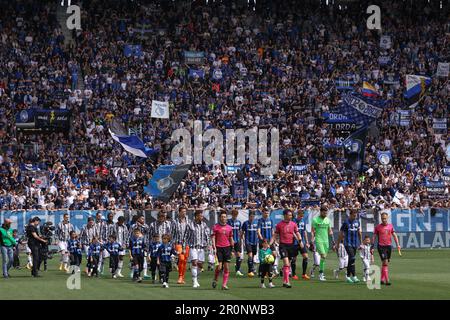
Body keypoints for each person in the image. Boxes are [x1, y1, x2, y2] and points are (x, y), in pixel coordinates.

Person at [274, 208, 304, 288]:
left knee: (287, 265)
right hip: (283, 245)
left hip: (291, 246)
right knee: (287, 263)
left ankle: (284, 281)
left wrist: (300, 242)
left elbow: (297, 233)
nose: (291, 216)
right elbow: (275, 235)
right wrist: (272, 243)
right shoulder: (279, 225)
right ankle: (287, 282)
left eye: (291, 215)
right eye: (289, 215)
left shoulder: (294, 224)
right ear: (285, 215)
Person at [372, 212, 401, 286]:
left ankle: (381, 279)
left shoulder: (390, 226)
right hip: (381, 247)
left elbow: (394, 235)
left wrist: (398, 244)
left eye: (385, 218)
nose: (384, 220)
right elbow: (374, 236)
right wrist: (372, 245)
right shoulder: (378, 227)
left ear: (387, 218)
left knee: (385, 262)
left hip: (389, 246)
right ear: (381, 219)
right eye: (382, 218)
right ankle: (387, 280)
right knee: (385, 262)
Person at [185, 209, 211, 288]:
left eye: (202, 216)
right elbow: (186, 236)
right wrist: (185, 246)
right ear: (196, 216)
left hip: (201, 248)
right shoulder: (190, 225)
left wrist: (209, 244)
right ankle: (195, 281)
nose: (202, 217)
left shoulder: (204, 225)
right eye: (200, 216)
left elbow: (207, 235)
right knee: (194, 262)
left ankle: (196, 278)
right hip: (193, 247)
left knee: (200, 265)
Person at [338, 208, 362, 283]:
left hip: (355, 243)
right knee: (352, 257)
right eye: (354, 215)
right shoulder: (346, 222)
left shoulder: (357, 222)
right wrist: (338, 243)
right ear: (350, 215)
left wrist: (361, 243)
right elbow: (341, 233)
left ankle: (349, 276)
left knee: (352, 260)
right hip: (347, 243)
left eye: (356, 216)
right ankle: (353, 276)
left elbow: (359, 232)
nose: (355, 217)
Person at [311, 205, 335, 282]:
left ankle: (313, 270)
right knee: (323, 256)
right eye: (324, 213)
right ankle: (321, 274)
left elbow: (329, 230)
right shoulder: (315, 220)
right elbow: (312, 231)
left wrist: (331, 234)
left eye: (326, 213)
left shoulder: (327, 220)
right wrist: (312, 239)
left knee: (323, 258)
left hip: (326, 241)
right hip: (319, 240)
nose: (325, 214)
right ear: (321, 212)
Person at [211, 211, 234, 290]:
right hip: (219, 248)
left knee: (227, 267)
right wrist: (214, 246)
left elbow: (231, 238)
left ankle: (224, 285)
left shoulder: (229, 228)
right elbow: (213, 237)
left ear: (226, 218)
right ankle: (215, 279)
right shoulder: (215, 227)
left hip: (227, 248)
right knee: (219, 267)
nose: (223, 218)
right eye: (222, 217)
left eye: (225, 217)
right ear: (220, 218)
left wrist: (232, 248)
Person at [171, 206, 190, 284]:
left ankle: (182, 277)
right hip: (178, 243)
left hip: (187, 243)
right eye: (182, 211)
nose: (184, 213)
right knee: (181, 259)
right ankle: (180, 276)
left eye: (185, 211)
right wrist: (172, 243)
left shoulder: (188, 221)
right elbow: (172, 233)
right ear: (179, 212)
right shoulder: (175, 222)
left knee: (185, 261)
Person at [257, 208, 276, 276]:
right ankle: (262, 272)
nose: (267, 214)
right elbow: (258, 232)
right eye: (265, 213)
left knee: (274, 254)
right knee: (263, 258)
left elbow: (273, 231)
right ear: (262, 213)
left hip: (270, 241)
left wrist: (272, 241)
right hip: (263, 242)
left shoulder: (271, 220)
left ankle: (271, 269)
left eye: (267, 213)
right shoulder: (260, 220)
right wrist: (263, 240)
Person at [292, 209, 310, 280]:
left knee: (305, 257)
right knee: (294, 259)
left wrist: (307, 241)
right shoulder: (293, 222)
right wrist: (298, 240)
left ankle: (304, 274)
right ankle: (293, 274)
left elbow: (304, 231)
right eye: (300, 216)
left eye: (302, 216)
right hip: (294, 243)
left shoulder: (303, 221)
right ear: (297, 215)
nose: (301, 217)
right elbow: (293, 233)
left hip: (302, 243)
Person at [241, 210, 258, 277]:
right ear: (249, 216)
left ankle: (252, 268)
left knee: (253, 256)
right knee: (250, 255)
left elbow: (258, 231)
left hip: (255, 241)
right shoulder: (245, 223)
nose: (252, 217)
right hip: (248, 241)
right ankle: (250, 271)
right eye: (251, 216)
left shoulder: (256, 222)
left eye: (253, 216)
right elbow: (242, 232)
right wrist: (242, 239)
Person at [227, 209, 243, 276]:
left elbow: (240, 231)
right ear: (232, 215)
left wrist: (241, 239)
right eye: (234, 215)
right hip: (229, 241)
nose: (235, 216)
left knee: (239, 255)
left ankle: (238, 270)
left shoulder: (239, 222)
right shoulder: (228, 222)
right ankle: (224, 269)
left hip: (237, 241)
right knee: (229, 256)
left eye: (236, 215)